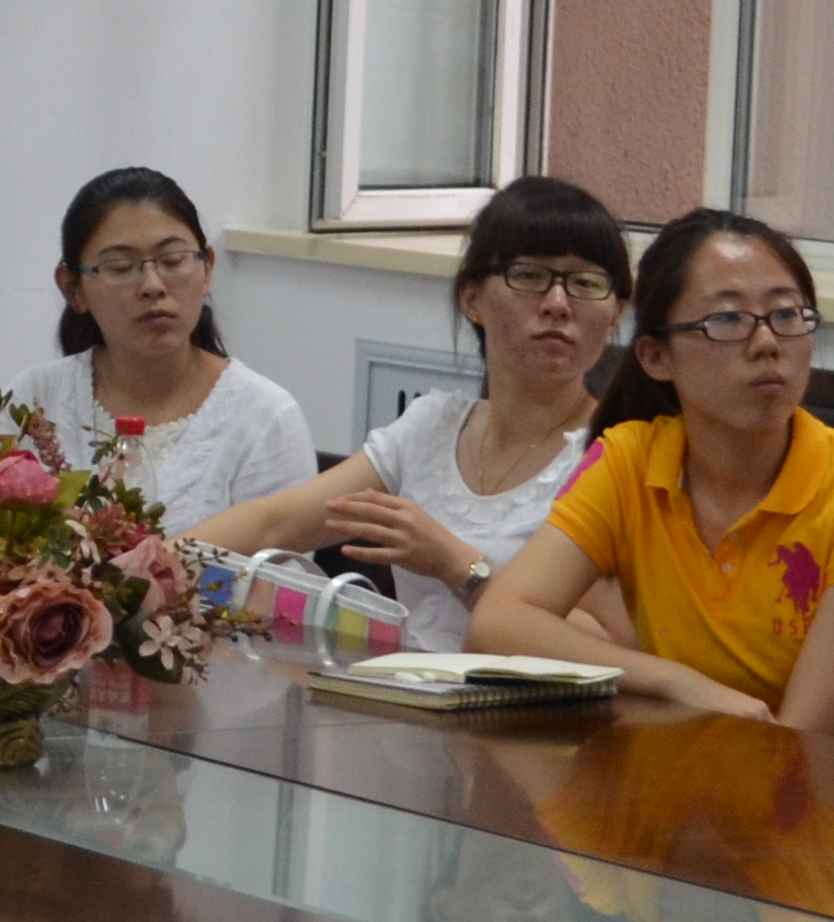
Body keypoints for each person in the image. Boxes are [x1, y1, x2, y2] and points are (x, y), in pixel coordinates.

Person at [466, 209, 834, 750]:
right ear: (656, 357)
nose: (767, 342)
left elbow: (797, 745)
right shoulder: (628, 459)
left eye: (786, 314)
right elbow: (496, 623)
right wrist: (672, 680)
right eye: (728, 320)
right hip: (692, 772)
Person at [188, 176, 634, 649]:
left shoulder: (617, 453)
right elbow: (274, 523)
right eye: (528, 276)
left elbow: (608, 643)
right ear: (471, 298)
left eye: (586, 284)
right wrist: (152, 565)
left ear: (616, 314)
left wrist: (455, 564)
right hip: (407, 688)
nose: (558, 304)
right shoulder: (431, 427)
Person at [2, 168, 314, 530]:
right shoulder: (34, 400)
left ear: (207, 270)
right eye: (121, 267)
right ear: (73, 288)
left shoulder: (266, 419)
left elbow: (285, 565)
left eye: (173, 261)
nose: (153, 285)